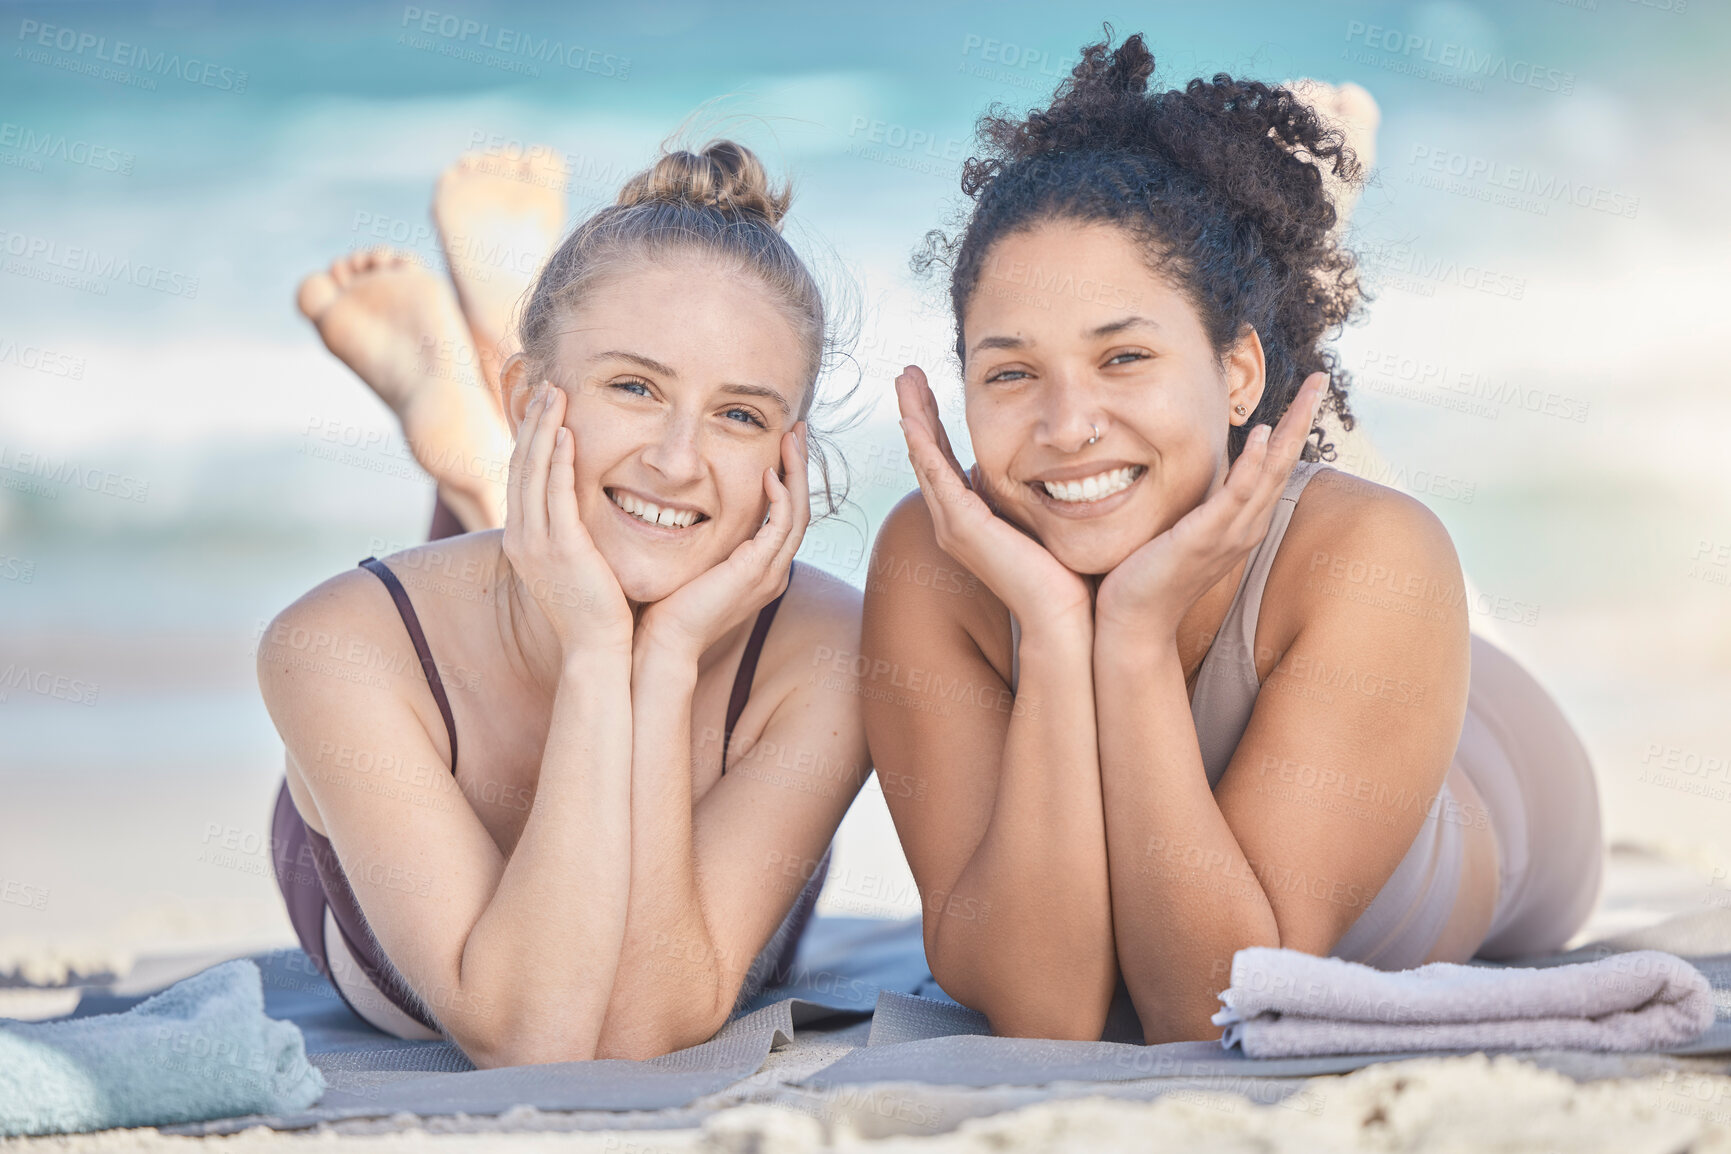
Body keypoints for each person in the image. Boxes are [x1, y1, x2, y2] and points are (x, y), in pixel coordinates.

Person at [861, 32, 1604, 1045]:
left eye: (1122, 354)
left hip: (1498, 756)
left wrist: (1125, 636)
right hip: (1250, 520)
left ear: (1236, 369)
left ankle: (1296, 333)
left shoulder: (1378, 559)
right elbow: (1045, 1009)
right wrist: (1048, 620)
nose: (1065, 421)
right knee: (1193, 463)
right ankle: (1253, 355)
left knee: (1342, 512)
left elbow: (1204, 1002)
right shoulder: (936, 559)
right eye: (1009, 372)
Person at [263, 140, 869, 1068]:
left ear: (789, 457)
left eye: (739, 415)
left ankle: (473, 454)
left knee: (592, 518)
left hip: (573, 551)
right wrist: (596, 651)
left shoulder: (831, 651)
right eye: (633, 386)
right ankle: (481, 453)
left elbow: (637, 1029)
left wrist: (659, 664)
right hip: (416, 778)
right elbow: (529, 1034)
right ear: (532, 398)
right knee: (553, 545)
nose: (678, 458)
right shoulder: (333, 645)